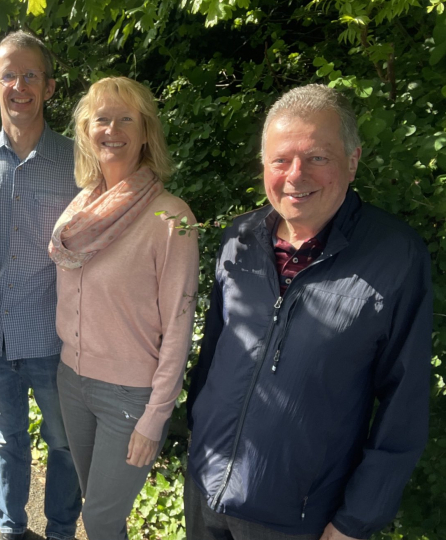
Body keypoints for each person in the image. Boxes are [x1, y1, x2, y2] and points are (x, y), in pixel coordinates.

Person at [186, 84, 432, 540]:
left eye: (317, 157)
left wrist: (354, 521)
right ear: (264, 166)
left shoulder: (395, 256)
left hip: (298, 517)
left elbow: (406, 402)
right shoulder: (239, 239)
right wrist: (195, 442)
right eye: (281, 160)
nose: (295, 175)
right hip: (205, 490)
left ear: (352, 160)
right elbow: (214, 353)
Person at [48, 76, 199, 538]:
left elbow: (178, 324)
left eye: (125, 119)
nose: (112, 129)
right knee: (96, 506)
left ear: (145, 131)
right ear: (86, 131)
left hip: (128, 397)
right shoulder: (80, 209)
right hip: (71, 381)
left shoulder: (172, 217)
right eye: (102, 119)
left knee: (100, 519)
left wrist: (156, 416)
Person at [0, 31, 82, 540]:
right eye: (9, 74)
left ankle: (59, 532)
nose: (20, 85)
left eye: (31, 74)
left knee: (64, 442)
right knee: (6, 441)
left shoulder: (80, 161)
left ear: (50, 87)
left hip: (56, 338)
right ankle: (12, 530)